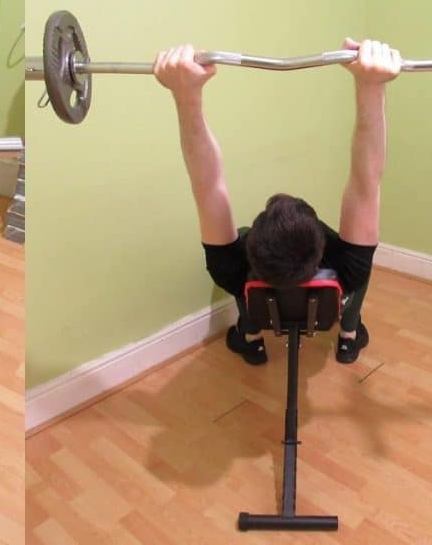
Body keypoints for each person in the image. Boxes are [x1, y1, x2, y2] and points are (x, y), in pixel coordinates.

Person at [153, 38, 401, 365]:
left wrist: (185, 97)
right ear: (318, 246)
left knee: (239, 262)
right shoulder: (347, 269)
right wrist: (371, 87)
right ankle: (349, 336)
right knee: (360, 252)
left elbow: (207, 184)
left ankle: (251, 338)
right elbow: (366, 178)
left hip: (254, 287)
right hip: (335, 288)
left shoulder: (228, 268)